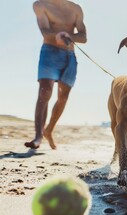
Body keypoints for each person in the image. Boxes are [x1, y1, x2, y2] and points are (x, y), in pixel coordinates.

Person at [25, 0, 87, 149]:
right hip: (49, 52)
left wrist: (69, 36)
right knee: (45, 92)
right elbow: (45, 31)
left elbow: (84, 37)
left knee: (63, 97)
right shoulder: (40, 5)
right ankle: (38, 136)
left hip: (70, 56)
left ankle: (49, 130)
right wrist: (58, 35)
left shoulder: (76, 8)